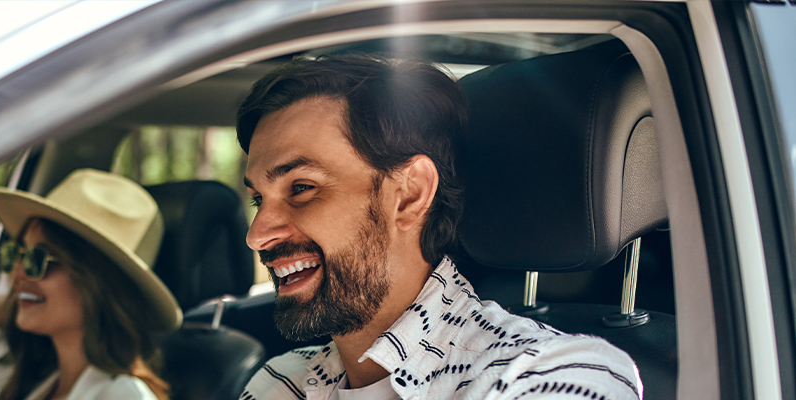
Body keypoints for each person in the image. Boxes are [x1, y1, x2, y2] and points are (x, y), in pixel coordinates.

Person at [236, 55, 640, 400]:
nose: (257, 235)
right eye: (258, 199)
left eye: (302, 188)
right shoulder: (280, 383)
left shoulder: (550, 376)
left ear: (409, 195)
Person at [0, 169, 181, 400]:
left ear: (99, 282)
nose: (17, 273)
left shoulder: (124, 396)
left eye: (39, 259)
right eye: (17, 254)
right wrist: (18, 298)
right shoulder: (27, 379)